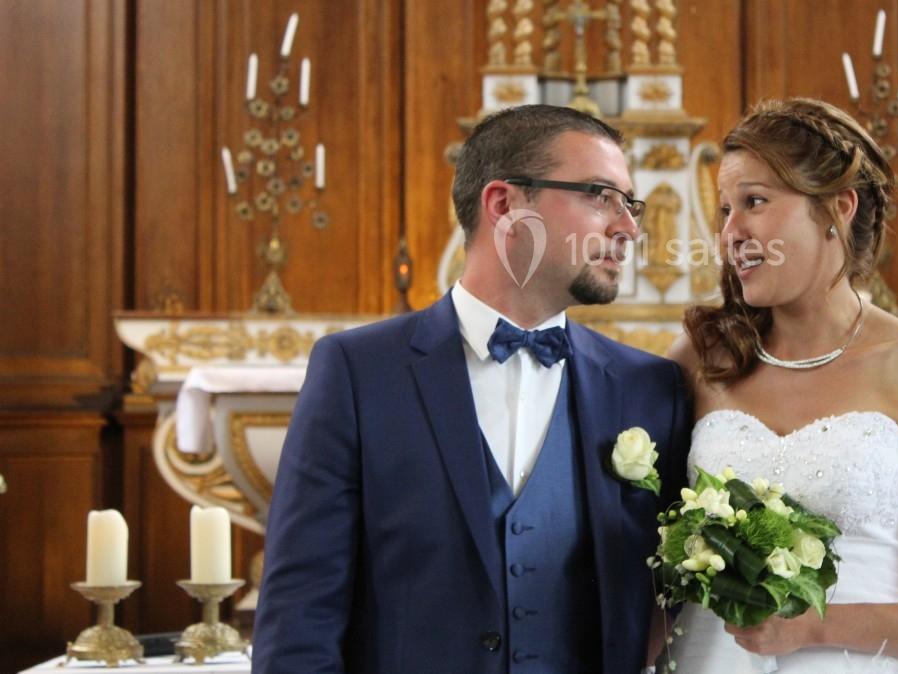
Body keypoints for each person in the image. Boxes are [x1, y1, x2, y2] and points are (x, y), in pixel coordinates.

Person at [253, 104, 691, 674]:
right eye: (598, 195)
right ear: (504, 205)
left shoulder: (650, 389)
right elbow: (299, 616)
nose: (629, 226)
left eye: (628, 203)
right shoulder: (358, 374)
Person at [664, 97, 898, 673]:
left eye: (754, 202)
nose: (731, 232)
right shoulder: (702, 358)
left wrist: (815, 625)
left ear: (837, 208)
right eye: (724, 212)